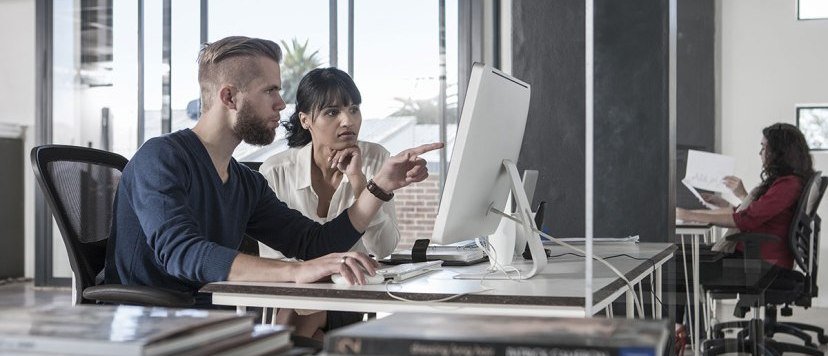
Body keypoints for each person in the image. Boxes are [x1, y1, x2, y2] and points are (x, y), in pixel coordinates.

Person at [103, 36, 443, 307]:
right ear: (229, 97)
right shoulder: (161, 159)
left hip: (212, 319)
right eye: (271, 91)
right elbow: (182, 252)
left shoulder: (245, 183)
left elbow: (314, 242)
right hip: (146, 322)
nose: (282, 104)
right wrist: (296, 271)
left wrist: (379, 185)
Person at [257, 67, 400, 338]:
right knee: (300, 317)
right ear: (305, 120)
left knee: (299, 324)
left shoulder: (375, 160)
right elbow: (275, 260)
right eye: (332, 112)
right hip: (293, 294)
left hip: (349, 294)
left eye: (354, 109)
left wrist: (359, 181)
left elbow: (383, 248)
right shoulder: (276, 171)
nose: (348, 120)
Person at [676, 123, 814, 269]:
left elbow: (746, 219)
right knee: (681, 254)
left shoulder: (787, 184)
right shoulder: (790, 182)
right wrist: (732, 201)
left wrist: (688, 215)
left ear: (779, 152)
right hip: (759, 256)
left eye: (764, 147)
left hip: (761, 261)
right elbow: (758, 213)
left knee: (676, 259)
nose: (760, 153)